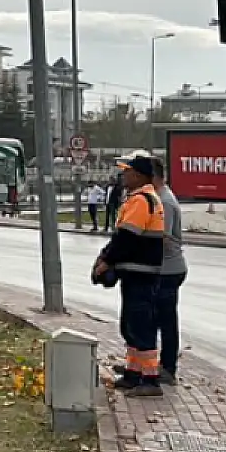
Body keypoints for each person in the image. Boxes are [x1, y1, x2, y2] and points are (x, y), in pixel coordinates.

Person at [93, 151, 168, 396]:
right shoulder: (144, 198)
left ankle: (150, 380)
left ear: (138, 175)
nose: (123, 175)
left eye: (127, 171)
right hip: (138, 272)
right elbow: (122, 237)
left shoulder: (140, 201)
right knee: (132, 325)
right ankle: (134, 374)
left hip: (140, 273)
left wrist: (106, 261)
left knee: (140, 325)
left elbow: (126, 238)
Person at [154, 162, 187, 385]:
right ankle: (154, 363)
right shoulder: (162, 197)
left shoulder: (164, 201)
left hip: (168, 269)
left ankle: (168, 368)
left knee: (166, 320)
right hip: (166, 268)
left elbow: (161, 238)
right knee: (159, 318)